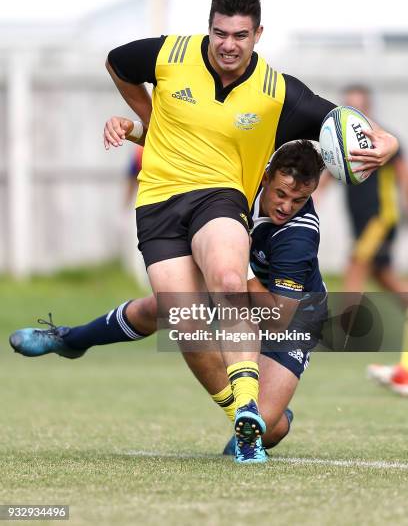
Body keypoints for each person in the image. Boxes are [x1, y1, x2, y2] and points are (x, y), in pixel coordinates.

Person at [101, 0, 397, 462]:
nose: (228, 45)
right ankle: (247, 414)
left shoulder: (278, 94)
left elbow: (334, 116)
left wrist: (387, 141)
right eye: (220, 33)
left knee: (225, 279)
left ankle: (250, 417)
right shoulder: (170, 54)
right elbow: (117, 61)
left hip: (236, 224)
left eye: (240, 35)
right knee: (185, 317)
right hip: (160, 201)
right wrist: (147, 121)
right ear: (209, 27)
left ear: (258, 34)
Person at [10, 140, 327, 463]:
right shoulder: (241, 179)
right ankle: (70, 339)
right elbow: (184, 139)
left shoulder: (298, 236)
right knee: (166, 306)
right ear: (265, 178)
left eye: (299, 200)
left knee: (268, 429)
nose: (287, 207)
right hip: (238, 282)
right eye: (281, 194)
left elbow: (278, 317)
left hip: (292, 314)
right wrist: (132, 129)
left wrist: (240, 267)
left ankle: (268, 417)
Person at [316, 84, 408, 394]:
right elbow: (328, 175)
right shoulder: (340, 141)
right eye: (349, 104)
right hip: (361, 221)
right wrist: (313, 199)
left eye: (359, 104)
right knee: (383, 276)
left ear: (367, 109)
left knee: (355, 261)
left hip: (381, 218)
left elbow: (402, 173)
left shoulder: (386, 140)